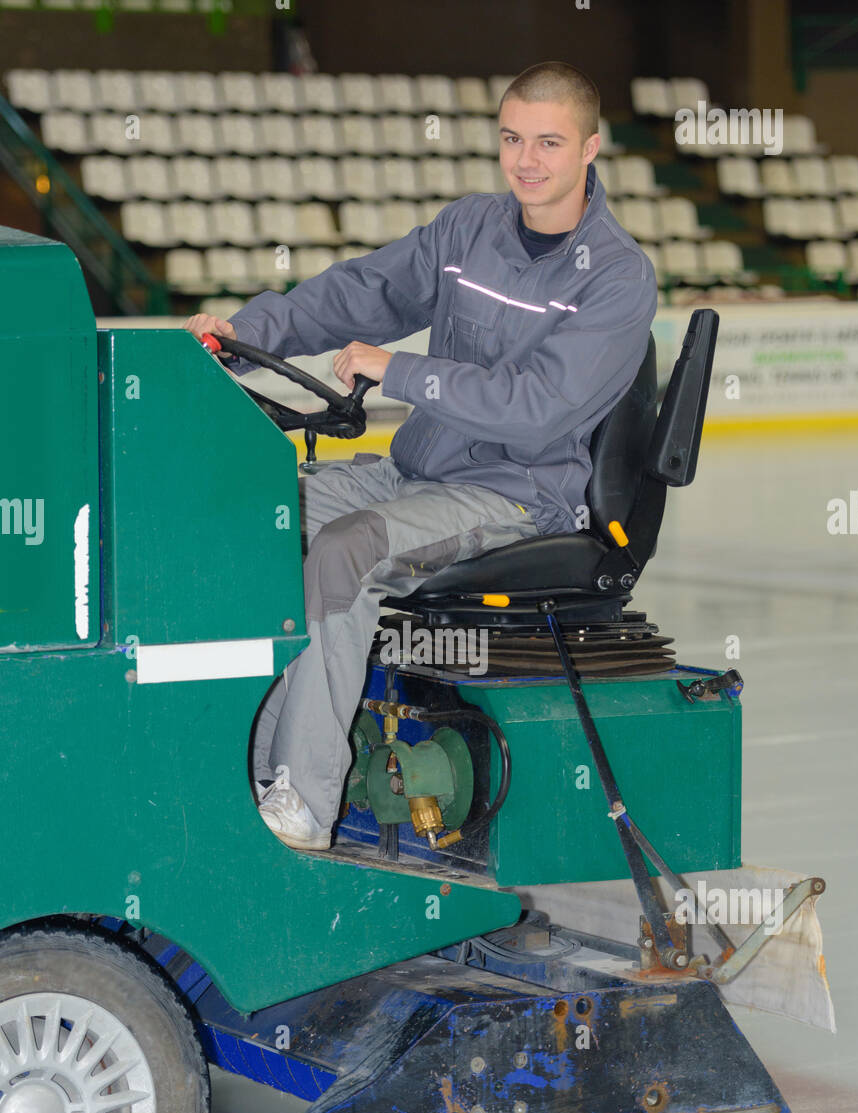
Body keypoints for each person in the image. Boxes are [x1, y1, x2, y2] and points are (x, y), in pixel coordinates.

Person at [184, 60, 657, 850]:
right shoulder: (467, 229)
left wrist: (398, 369)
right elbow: (359, 291)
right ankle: (234, 754)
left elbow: (539, 412)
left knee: (346, 551)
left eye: (548, 142)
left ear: (590, 148)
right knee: (248, 509)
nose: (526, 160)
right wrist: (245, 335)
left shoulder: (615, 276)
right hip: (419, 472)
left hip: (513, 494)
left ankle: (300, 801)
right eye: (512, 139)